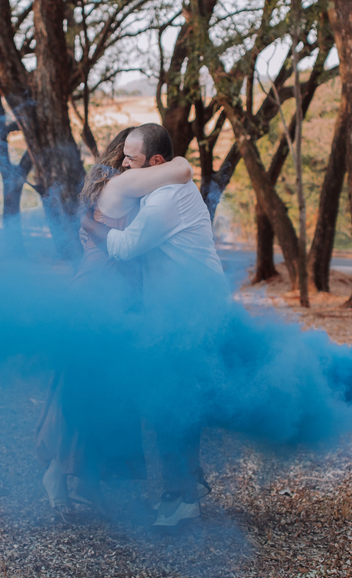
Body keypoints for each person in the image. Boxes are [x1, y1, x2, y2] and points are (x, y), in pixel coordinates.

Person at [35, 127, 195, 518]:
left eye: (132, 156)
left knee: (105, 389)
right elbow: (183, 170)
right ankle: (56, 476)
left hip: (119, 299)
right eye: (126, 155)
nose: (126, 162)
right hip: (98, 295)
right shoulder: (125, 184)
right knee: (82, 387)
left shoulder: (126, 186)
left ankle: (87, 482)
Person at [80, 123, 223, 528]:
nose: (124, 164)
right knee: (173, 399)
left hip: (193, 310)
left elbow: (124, 248)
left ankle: (183, 498)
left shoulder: (166, 199)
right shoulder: (162, 186)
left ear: (155, 161)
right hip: (180, 308)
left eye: (132, 159)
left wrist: (87, 223)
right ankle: (185, 487)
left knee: (171, 401)